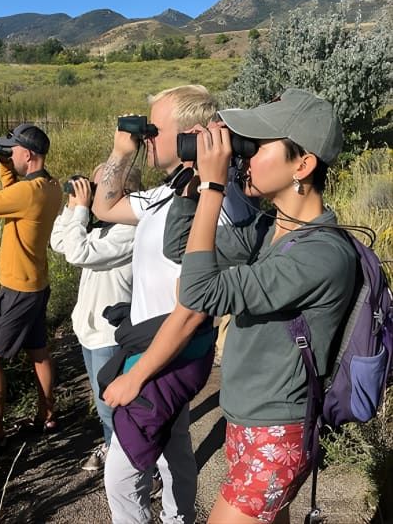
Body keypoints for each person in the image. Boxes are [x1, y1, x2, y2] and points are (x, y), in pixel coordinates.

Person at [102, 89, 357, 524]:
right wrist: (190, 187)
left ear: (303, 163)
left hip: (278, 432)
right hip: (248, 422)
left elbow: (199, 292)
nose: (245, 157)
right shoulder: (266, 230)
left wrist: (215, 186)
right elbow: (181, 248)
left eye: (255, 148)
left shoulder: (320, 255)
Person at [92, 85, 225, 524]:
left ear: (189, 135)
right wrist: (121, 150)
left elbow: (196, 307)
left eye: (153, 128)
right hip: (157, 350)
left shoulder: (212, 205)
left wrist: (137, 377)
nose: (146, 135)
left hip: (168, 353)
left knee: (120, 477)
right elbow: (104, 204)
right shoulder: (167, 195)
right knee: (174, 451)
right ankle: (179, 518)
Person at [0, 123, 62, 455]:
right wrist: (7, 168)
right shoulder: (50, 186)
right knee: (38, 352)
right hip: (37, 284)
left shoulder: (27, 193)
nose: (10, 152)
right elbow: (15, 202)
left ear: (28, 154)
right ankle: (47, 415)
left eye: (13, 149)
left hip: (17, 290)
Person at [50, 164, 141, 471]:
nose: (96, 194)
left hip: (108, 336)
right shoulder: (103, 225)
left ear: (123, 193)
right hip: (89, 331)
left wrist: (81, 211)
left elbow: (79, 253)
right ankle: (113, 449)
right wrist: (72, 206)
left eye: (103, 188)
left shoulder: (130, 230)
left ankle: (139, 469)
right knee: (103, 406)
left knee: (112, 407)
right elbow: (60, 243)